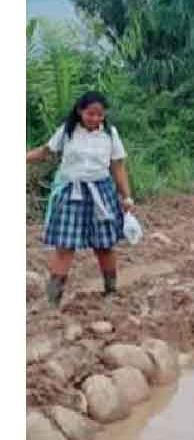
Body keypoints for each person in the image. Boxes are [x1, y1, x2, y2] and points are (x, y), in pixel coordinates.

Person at [26, 91, 134, 307]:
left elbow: (118, 166)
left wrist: (127, 196)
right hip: (71, 192)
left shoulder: (110, 135)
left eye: (100, 115)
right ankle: (53, 302)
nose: (95, 119)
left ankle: (111, 291)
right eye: (90, 114)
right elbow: (45, 152)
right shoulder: (67, 131)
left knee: (104, 245)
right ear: (80, 111)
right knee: (65, 247)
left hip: (101, 193)